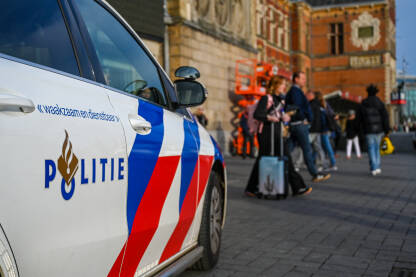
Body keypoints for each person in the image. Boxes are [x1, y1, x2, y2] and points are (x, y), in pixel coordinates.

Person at [245, 76, 312, 197]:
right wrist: (270, 118)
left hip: (277, 133)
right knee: (264, 158)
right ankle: (252, 187)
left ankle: (298, 187)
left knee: (284, 157)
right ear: (275, 85)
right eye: (282, 84)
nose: (284, 87)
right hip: (266, 133)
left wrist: (285, 117)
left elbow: (280, 115)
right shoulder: (267, 98)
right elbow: (258, 114)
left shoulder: (280, 100)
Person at [285, 72, 330, 182]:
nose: (304, 81)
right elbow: (297, 107)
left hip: (296, 124)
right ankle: (314, 173)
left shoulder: (295, 91)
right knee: (307, 149)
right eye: (302, 78)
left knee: (288, 149)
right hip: (300, 124)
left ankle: (280, 165)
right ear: (296, 79)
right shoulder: (295, 91)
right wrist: (305, 118)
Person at [356, 84, 390, 176]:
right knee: (377, 148)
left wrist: (358, 130)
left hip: (368, 129)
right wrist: (387, 129)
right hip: (379, 130)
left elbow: (359, 118)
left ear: (367, 92)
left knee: (371, 148)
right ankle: (377, 166)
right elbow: (385, 117)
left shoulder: (363, 103)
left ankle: (374, 167)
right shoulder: (380, 103)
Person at [315, 91, 338, 171]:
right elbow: (332, 114)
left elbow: (321, 119)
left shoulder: (318, 106)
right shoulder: (325, 104)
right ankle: (331, 163)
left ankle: (330, 163)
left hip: (322, 129)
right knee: (325, 147)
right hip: (327, 129)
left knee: (321, 147)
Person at [306, 90, 327, 170]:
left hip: (312, 129)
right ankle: (322, 163)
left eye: (307, 95)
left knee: (305, 147)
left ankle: (299, 163)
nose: (306, 97)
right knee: (318, 147)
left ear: (311, 96)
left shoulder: (312, 105)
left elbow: (311, 117)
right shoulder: (318, 105)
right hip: (317, 129)